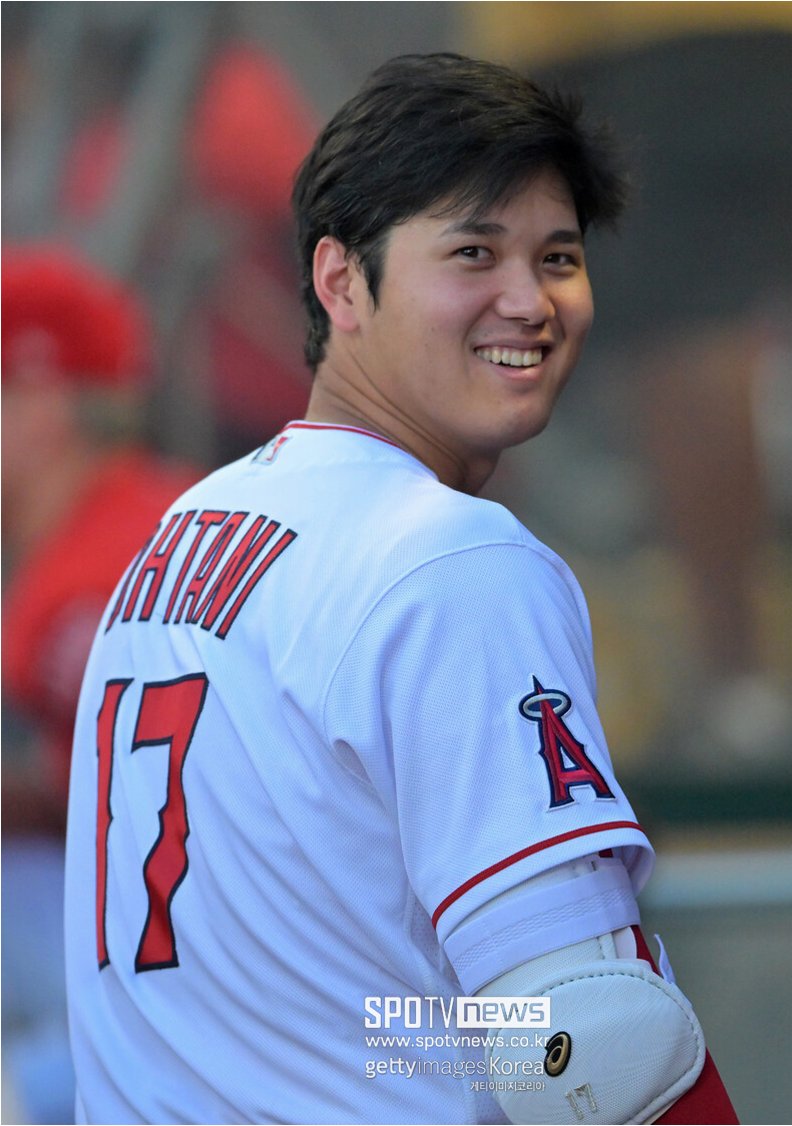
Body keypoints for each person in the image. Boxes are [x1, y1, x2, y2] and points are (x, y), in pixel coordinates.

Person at [64, 54, 738, 1124]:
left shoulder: (180, 531)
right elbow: (580, 1044)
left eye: (558, 258)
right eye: (473, 252)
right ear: (341, 282)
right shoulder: (451, 559)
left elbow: (336, 1003)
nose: (529, 301)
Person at [1, 245, 200, 1123]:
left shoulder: (97, 572)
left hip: (232, 983)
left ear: (42, 404)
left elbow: (163, 813)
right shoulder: (128, 511)